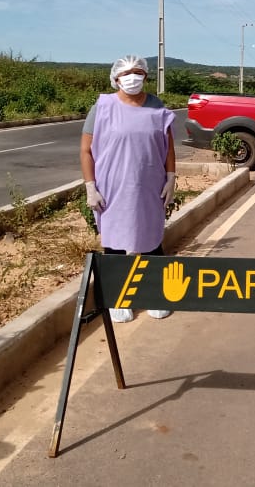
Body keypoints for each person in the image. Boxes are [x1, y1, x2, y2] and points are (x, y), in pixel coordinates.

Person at [80, 55, 176, 323]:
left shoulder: (157, 108)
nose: (132, 77)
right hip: (111, 188)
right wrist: (90, 186)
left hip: (148, 186)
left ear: (146, 76)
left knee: (151, 242)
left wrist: (171, 177)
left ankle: (157, 295)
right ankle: (120, 299)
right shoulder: (102, 107)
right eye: (126, 73)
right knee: (115, 245)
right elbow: (86, 150)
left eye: (137, 72)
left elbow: (167, 148)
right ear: (115, 78)